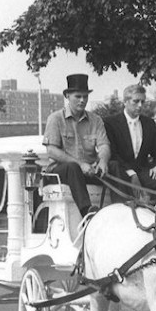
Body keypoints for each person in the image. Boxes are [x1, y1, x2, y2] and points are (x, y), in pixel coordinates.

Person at [42, 73, 111, 217]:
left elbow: (104, 145)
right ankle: (87, 212)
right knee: (73, 167)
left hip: (88, 171)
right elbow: (51, 151)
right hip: (61, 172)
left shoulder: (96, 120)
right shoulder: (55, 118)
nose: (82, 100)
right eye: (78, 96)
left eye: (85, 96)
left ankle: (123, 209)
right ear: (67, 96)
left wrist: (103, 161)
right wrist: (80, 164)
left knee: (115, 166)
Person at [103, 83, 156, 200]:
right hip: (121, 173)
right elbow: (112, 154)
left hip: (143, 172)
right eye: (136, 101)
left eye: (143, 102)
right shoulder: (110, 123)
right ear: (125, 102)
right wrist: (131, 173)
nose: (140, 105)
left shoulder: (149, 123)